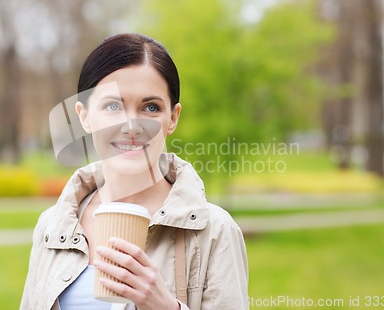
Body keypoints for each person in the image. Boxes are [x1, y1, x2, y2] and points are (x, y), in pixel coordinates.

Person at [20, 33, 249, 310]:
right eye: (112, 106)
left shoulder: (214, 231)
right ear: (84, 116)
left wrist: (165, 307)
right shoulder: (54, 226)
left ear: (173, 118)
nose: (131, 126)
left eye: (150, 107)